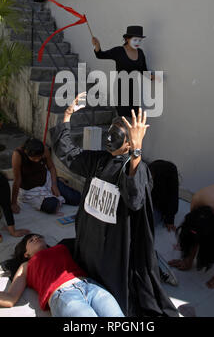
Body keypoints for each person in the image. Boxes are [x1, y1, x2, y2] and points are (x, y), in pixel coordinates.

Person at [50, 93, 179, 317]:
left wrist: (137, 151)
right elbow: (68, 152)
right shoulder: (99, 161)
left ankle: (157, 265)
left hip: (114, 248)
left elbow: (136, 197)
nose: (108, 140)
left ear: (129, 142)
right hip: (91, 238)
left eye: (116, 136)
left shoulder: (137, 168)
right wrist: (67, 116)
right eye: (108, 134)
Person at [0, 233, 124, 317]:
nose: (35, 237)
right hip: (64, 296)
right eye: (30, 240)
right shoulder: (26, 266)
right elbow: (9, 299)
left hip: (90, 286)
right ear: (26, 254)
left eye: (37, 236)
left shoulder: (62, 247)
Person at [92, 25, 154, 118]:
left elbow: (143, 70)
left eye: (139, 40)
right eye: (135, 40)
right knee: (123, 118)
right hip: (121, 89)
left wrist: (153, 77)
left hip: (134, 89)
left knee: (134, 117)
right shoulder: (119, 51)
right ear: (127, 39)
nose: (137, 43)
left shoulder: (140, 53)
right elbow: (100, 55)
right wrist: (97, 45)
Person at [11, 138, 80, 215]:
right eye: (34, 159)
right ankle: (56, 189)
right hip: (31, 191)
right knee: (52, 206)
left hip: (47, 181)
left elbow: (51, 167)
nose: (37, 160)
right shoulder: (17, 155)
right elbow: (17, 180)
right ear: (27, 153)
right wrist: (14, 203)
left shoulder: (44, 150)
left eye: (39, 158)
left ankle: (58, 181)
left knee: (76, 198)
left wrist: (54, 185)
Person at [148, 159, 179, 232]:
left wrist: (169, 220)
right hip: (146, 202)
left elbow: (173, 200)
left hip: (158, 206)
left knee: (148, 223)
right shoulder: (147, 174)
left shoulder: (167, 187)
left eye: (152, 175)